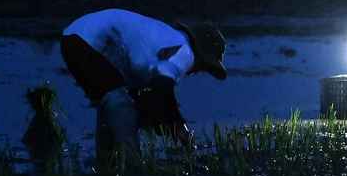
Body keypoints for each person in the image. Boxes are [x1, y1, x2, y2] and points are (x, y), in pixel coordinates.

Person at [60, 8, 227, 156]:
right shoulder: (185, 50)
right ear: (200, 53)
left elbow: (149, 96)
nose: (197, 71)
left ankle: (107, 163)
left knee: (114, 101)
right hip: (85, 41)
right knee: (120, 104)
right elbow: (162, 90)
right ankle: (131, 165)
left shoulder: (165, 40)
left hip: (75, 38)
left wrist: (163, 120)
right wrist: (179, 128)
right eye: (203, 66)